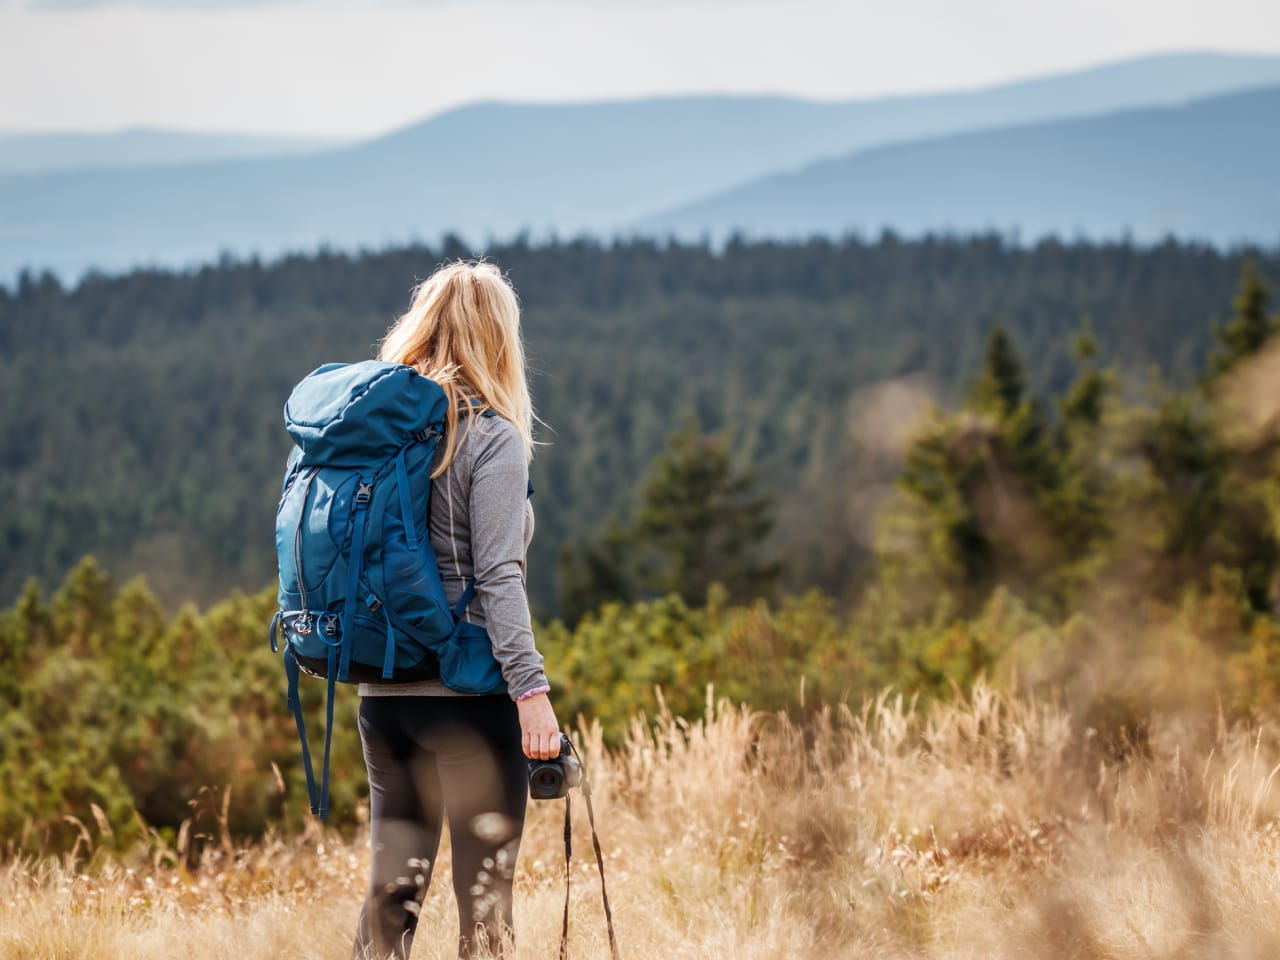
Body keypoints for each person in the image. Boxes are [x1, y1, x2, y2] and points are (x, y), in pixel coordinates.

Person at [352, 260, 561, 960]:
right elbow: (499, 577)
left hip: (383, 692)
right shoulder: (491, 437)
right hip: (469, 697)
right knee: (485, 907)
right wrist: (531, 693)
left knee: (390, 901)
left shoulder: (378, 438)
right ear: (499, 337)